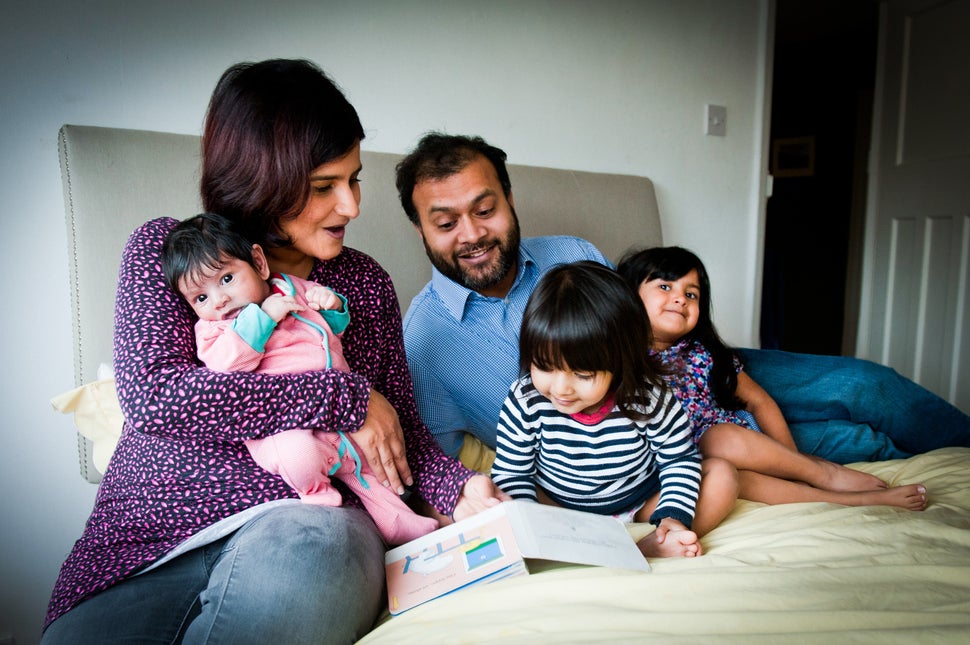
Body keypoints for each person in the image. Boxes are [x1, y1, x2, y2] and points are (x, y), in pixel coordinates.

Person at [43, 60, 508, 644]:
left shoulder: (363, 283)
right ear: (255, 179)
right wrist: (343, 396)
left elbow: (399, 428)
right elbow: (159, 398)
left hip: (309, 527)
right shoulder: (171, 255)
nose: (351, 207)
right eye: (323, 187)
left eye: (354, 178)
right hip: (148, 546)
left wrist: (456, 487)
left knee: (319, 552)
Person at [397, 132, 970, 467]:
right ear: (420, 230)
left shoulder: (570, 251)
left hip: (694, 364)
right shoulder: (421, 340)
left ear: (510, 198)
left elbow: (650, 327)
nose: (472, 234)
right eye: (445, 222)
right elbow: (445, 458)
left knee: (866, 386)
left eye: (485, 208)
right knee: (858, 442)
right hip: (648, 442)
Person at [161, 212, 439, 545]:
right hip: (283, 430)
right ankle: (320, 499)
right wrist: (263, 319)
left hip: (342, 421)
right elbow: (227, 369)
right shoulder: (213, 330)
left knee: (370, 469)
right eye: (200, 298)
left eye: (226, 279)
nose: (219, 300)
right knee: (299, 457)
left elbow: (333, 328)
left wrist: (332, 303)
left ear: (259, 264)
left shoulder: (290, 288)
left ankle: (400, 523)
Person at [616, 246, 927, 510]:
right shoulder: (613, 358)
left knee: (720, 440)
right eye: (665, 287)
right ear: (627, 296)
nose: (681, 299)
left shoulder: (702, 355)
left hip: (734, 443)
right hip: (680, 466)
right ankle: (847, 500)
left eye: (692, 293)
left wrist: (795, 465)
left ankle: (820, 473)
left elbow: (758, 400)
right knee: (729, 474)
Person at [490, 261, 739, 557]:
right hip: (558, 507)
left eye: (583, 375)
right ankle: (585, 547)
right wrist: (533, 522)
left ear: (621, 361)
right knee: (503, 499)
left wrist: (673, 517)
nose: (560, 388)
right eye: (544, 367)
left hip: (639, 502)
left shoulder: (648, 398)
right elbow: (513, 475)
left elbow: (678, 460)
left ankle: (653, 544)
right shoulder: (525, 399)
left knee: (722, 475)